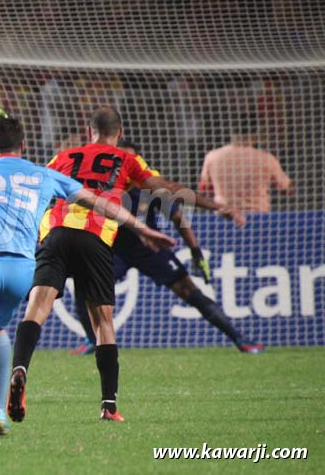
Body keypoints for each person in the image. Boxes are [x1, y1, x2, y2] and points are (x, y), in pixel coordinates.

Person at [8, 106, 245, 424]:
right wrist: (217, 206)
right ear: (119, 133)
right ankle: (108, 405)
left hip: (56, 232)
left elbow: (34, 190)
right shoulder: (127, 160)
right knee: (103, 322)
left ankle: (20, 368)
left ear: (88, 131)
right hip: (96, 236)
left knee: (36, 308)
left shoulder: (63, 156)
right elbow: (168, 190)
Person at [0, 110, 175, 437]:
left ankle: (14, 377)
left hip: (49, 236)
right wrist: (142, 229)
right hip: (87, 240)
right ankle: (109, 406)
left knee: (31, 312)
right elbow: (102, 203)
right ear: (23, 144)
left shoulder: (52, 160)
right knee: (102, 322)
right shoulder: (50, 172)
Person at [70, 140, 264, 357]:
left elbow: (178, 217)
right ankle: (93, 340)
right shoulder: (102, 186)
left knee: (188, 290)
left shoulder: (150, 187)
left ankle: (239, 338)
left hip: (150, 248)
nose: (125, 162)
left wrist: (195, 251)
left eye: (131, 158)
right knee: (84, 288)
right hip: (113, 250)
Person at [198, 117, 292, 213]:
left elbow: (204, 188)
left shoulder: (213, 157)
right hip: (259, 216)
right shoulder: (266, 159)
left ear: (231, 133)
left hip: (224, 216)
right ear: (255, 136)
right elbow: (286, 188)